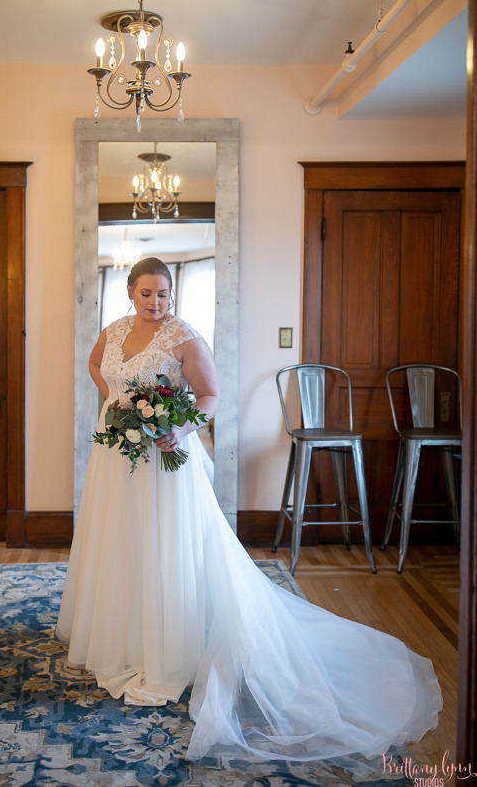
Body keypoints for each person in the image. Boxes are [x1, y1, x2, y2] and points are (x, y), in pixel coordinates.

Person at [56, 256, 442, 765]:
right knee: (119, 539)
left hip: (163, 459)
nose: (156, 302)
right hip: (116, 456)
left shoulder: (183, 337)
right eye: (146, 293)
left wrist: (180, 427)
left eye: (163, 294)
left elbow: (210, 395)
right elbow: (95, 365)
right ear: (130, 292)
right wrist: (118, 405)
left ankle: (167, 645)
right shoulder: (114, 329)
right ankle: (122, 634)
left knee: (164, 546)